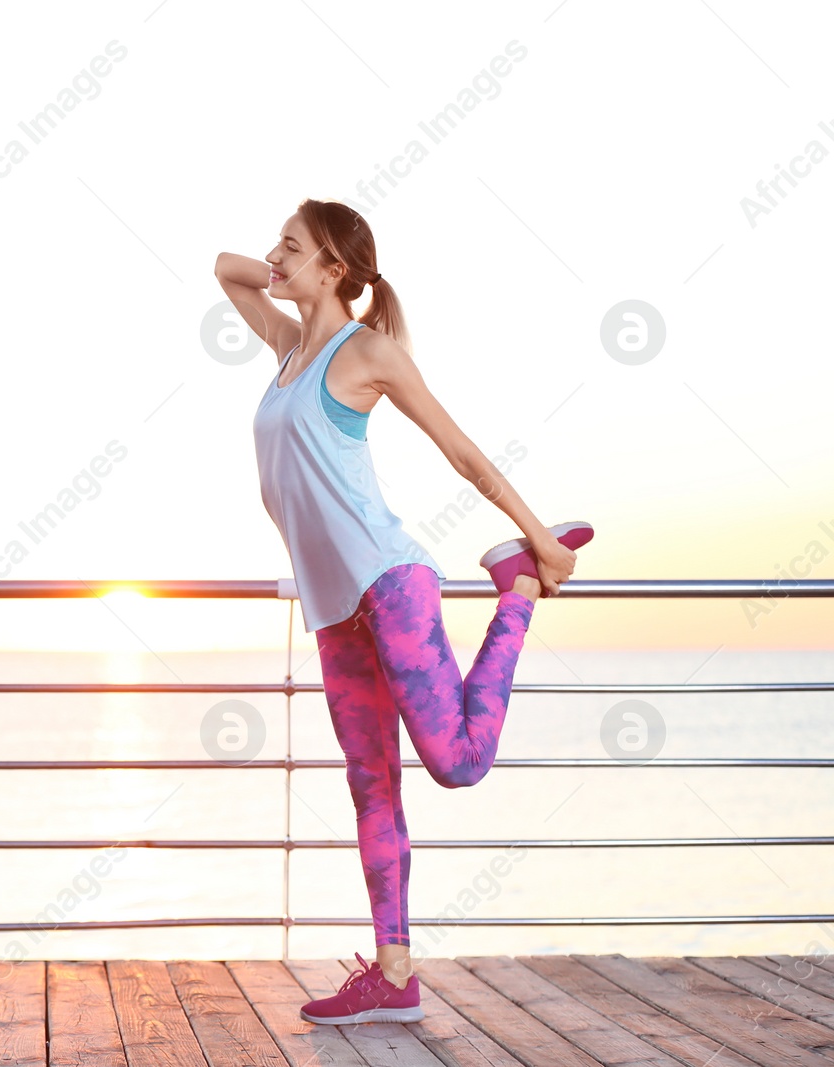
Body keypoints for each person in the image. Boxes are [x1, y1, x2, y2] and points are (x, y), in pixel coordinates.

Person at [215, 199, 594, 1025]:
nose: (272, 256)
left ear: (336, 268)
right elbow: (224, 267)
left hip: (391, 585)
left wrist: (540, 538)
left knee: (456, 763)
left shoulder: (366, 352)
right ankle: (394, 973)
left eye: (293, 246)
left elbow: (460, 451)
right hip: (331, 608)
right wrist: (290, 277)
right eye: (277, 243)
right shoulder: (288, 349)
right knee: (370, 785)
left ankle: (519, 589)